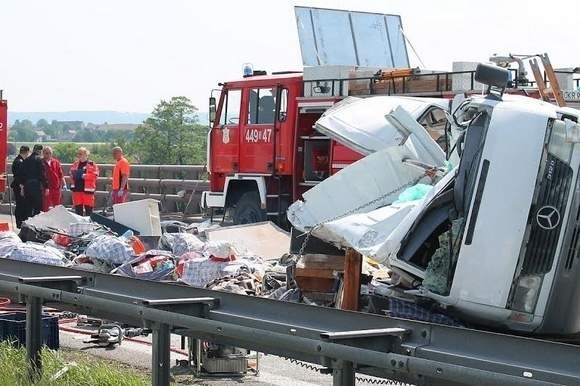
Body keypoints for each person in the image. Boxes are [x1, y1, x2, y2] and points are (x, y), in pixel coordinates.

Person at [70, 147, 99, 216]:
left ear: (86, 155)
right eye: (78, 154)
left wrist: (85, 176)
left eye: (81, 154)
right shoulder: (75, 164)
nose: (79, 156)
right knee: (78, 212)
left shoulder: (92, 164)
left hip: (87, 192)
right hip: (77, 190)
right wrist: (73, 175)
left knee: (89, 212)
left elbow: (95, 175)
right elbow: (70, 173)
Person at [21, 144, 47, 218]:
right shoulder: (39, 160)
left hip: (27, 186)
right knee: (37, 207)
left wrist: (23, 187)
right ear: (40, 151)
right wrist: (46, 186)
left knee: (28, 206)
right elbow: (42, 174)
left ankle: (27, 224)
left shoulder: (26, 160)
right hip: (36, 186)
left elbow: (22, 175)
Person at [42, 146, 67, 212]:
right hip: (46, 189)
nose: (48, 155)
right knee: (45, 208)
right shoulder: (41, 162)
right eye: (46, 153)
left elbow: (61, 174)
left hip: (56, 188)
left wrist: (64, 184)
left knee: (57, 208)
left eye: (50, 153)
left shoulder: (56, 162)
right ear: (43, 153)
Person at [10, 145, 30, 227]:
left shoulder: (18, 160)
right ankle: (19, 223)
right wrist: (22, 187)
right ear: (27, 152)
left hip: (18, 185)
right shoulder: (20, 162)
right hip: (19, 186)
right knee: (20, 205)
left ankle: (19, 222)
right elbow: (19, 176)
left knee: (21, 204)